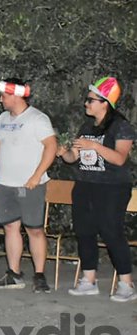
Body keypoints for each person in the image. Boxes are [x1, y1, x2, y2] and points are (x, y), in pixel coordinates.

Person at [59, 77, 136, 302]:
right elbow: (75, 157)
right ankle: (88, 280)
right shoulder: (87, 127)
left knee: (112, 233)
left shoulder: (121, 126)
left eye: (90, 100)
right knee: (84, 232)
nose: (86, 103)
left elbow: (120, 158)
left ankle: (126, 284)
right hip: (85, 185)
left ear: (105, 103)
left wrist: (95, 145)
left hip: (112, 188)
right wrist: (64, 153)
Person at [0, 78, 58, 292]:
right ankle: (14, 273)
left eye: (4, 95)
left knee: (34, 229)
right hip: (5, 183)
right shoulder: (2, 118)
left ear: (16, 95)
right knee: (10, 227)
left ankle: (39, 275)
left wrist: (37, 175)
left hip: (29, 184)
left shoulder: (37, 118)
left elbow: (51, 147)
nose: (1, 100)